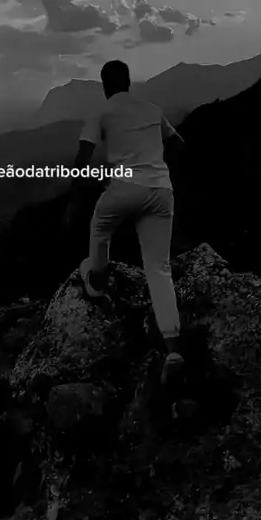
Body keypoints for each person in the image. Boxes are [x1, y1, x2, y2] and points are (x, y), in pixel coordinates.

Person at [67, 60, 186, 384]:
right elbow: (178, 145)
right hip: (161, 191)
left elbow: (82, 157)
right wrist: (157, 169)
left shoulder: (100, 112)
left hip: (123, 188)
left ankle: (96, 280)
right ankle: (173, 349)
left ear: (105, 86)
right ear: (129, 82)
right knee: (159, 268)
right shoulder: (152, 109)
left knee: (100, 228)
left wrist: (81, 191)